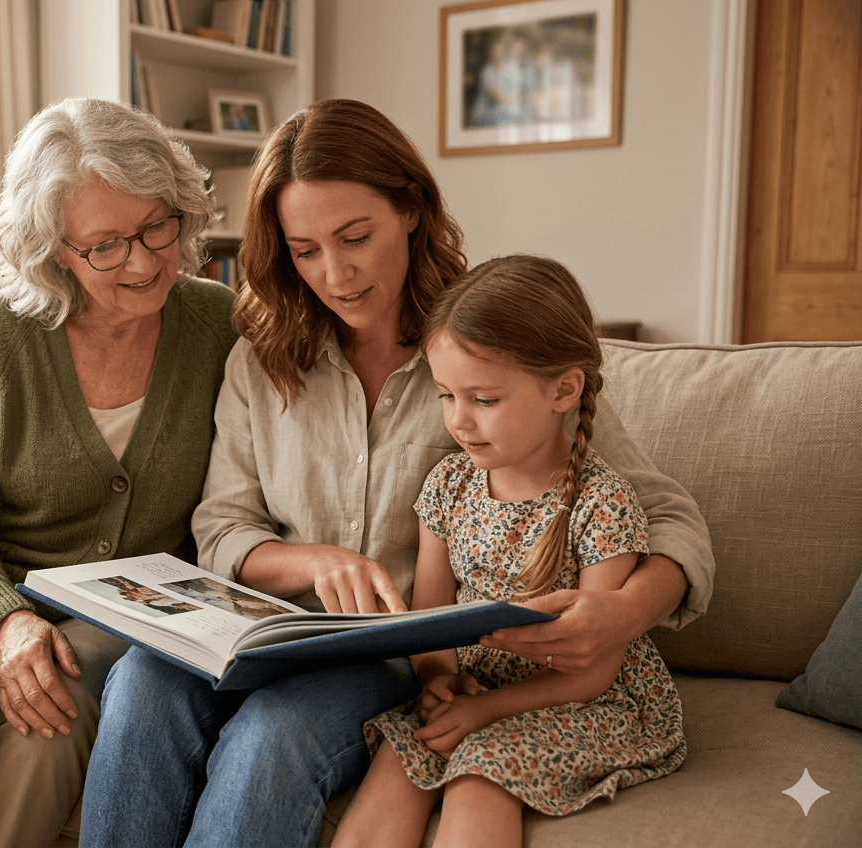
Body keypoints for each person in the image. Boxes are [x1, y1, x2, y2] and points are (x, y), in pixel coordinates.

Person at [80, 98, 712, 848]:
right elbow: (222, 528)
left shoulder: (488, 343)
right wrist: (313, 561)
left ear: (410, 210)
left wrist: (626, 612)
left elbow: (665, 513)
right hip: (267, 629)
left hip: (396, 657)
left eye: (356, 238)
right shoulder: (261, 355)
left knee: (272, 733)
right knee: (142, 684)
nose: (336, 273)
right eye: (305, 249)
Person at [0, 98, 238, 848]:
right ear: (55, 248)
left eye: (159, 225)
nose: (146, 259)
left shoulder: (217, 324)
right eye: (107, 244)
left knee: (50, 720)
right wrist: (8, 618)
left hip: (122, 608)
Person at [333, 255, 686, 848]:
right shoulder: (447, 487)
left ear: (563, 389)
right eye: (447, 396)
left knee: (478, 774)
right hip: (478, 690)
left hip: (580, 698)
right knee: (401, 755)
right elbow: (432, 618)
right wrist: (438, 678)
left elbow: (593, 668)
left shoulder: (602, 504)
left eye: (484, 400)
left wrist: (483, 715)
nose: (459, 421)